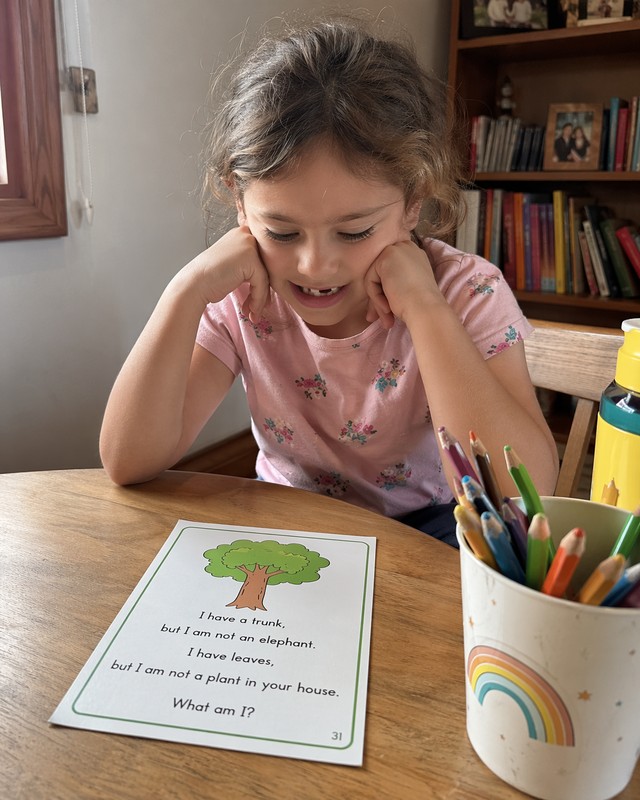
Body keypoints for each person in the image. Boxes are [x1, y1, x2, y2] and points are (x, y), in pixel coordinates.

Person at [99, 15, 559, 547]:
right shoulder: (241, 297)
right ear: (239, 202)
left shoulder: (465, 293)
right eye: (282, 231)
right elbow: (127, 459)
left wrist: (426, 310)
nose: (316, 266)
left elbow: (524, 496)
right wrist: (185, 291)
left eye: (355, 231)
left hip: (430, 531)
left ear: (413, 200)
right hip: (287, 524)